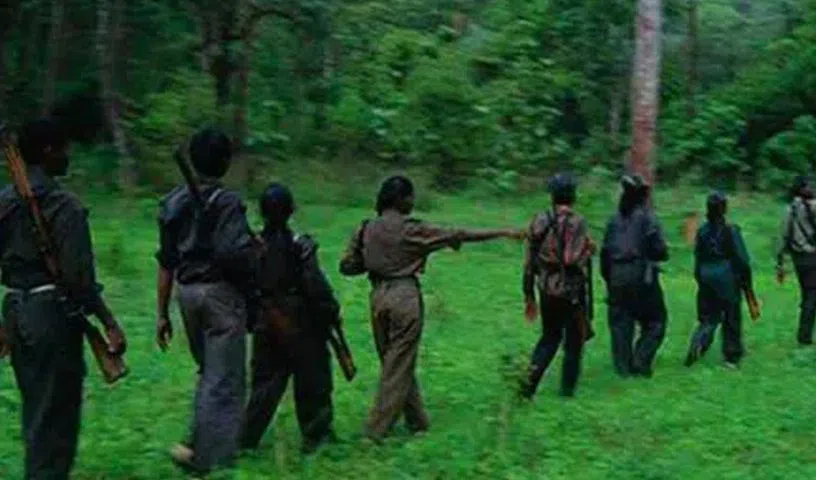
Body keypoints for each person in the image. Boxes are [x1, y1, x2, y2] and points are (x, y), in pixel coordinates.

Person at [339, 175, 523, 442]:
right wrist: (503, 232)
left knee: (395, 360)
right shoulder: (412, 229)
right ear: (402, 200)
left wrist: (376, 259)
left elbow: (347, 266)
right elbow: (459, 234)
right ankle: (375, 431)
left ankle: (417, 421)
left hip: (377, 296)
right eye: (410, 197)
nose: (413, 201)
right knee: (397, 364)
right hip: (404, 296)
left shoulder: (366, 228)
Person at [0, 118, 127, 479]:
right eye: (63, 149)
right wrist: (109, 322)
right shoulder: (64, 205)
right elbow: (79, 280)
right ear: (47, 152)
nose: (68, 156)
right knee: (56, 417)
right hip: (50, 316)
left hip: (16, 312)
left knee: (36, 408)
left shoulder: (4, 203)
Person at [154, 127, 258, 474]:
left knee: (210, 373)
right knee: (225, 379)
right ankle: (213, 460)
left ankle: (194, 444)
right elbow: (233, 254)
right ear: (225, 162)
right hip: (220, 293)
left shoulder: (172, 202)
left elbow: (166, 261)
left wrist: (162, 313)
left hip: (186, 294)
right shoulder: (227, 202)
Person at [240, 183, 339, 454]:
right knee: (313, 379)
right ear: (291, 210)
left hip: (265, 319)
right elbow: (314, 284)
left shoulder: (252, 248)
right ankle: (316, 436)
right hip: (299, 320)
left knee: (264, 384)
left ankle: (246, 437)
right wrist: (330, 310)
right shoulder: (300, 246)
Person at [519, 173, 595, 399]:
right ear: (572, 196)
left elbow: (529, 261)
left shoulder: (540, 220)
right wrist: (589, 250)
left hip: (546, 288)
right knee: (574, 341)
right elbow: (571, 259)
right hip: (570, 290)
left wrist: (529, 295)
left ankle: (527, 386)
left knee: (549, 338)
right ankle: (567, 391)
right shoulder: (576, 222)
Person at [600, 174, 669, 377]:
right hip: (640, 275)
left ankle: (623, 368)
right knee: (656, 321)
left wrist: (609, 279)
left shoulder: (613, 221)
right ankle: (641, 360)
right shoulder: (647, 218)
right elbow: (660, 251)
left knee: (620, 322)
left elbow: (605, 253)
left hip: (616, 275)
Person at [684, 192, 753, 369]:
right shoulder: (731, 230)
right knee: (731, 316)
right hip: (726, 276)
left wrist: (700, 277)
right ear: (724, 209)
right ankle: (731, 356)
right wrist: (746, 282)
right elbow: (741, 259)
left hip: (706, 274)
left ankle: (698, 342)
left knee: (708, 317)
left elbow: (698, 256)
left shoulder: (702, 231)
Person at [776, 176, 816, 346]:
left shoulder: (789, 209)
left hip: (798, 258)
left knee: (807, 294)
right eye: (809, 186)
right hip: (812, 255)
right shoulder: (813, 206)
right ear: (802, 189)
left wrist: (780, 263)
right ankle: (804, 336)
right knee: (811, 297)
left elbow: (784, 237)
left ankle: (804, 334)